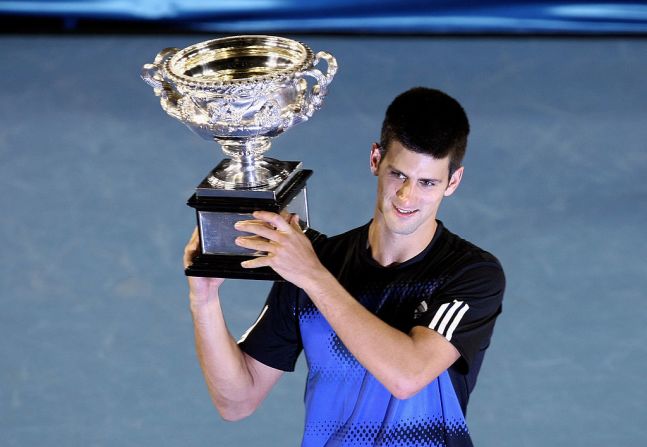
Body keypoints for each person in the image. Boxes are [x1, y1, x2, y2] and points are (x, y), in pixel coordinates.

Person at [183, 87, 505, 447]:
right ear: (375, 159)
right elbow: (236, 401)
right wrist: (204, 300)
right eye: (398, 174)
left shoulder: (471, 274)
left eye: (427, 182)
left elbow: (407, 375)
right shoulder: (313, 260)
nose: (406, 196)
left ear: (453, 182)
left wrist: (311, 275)